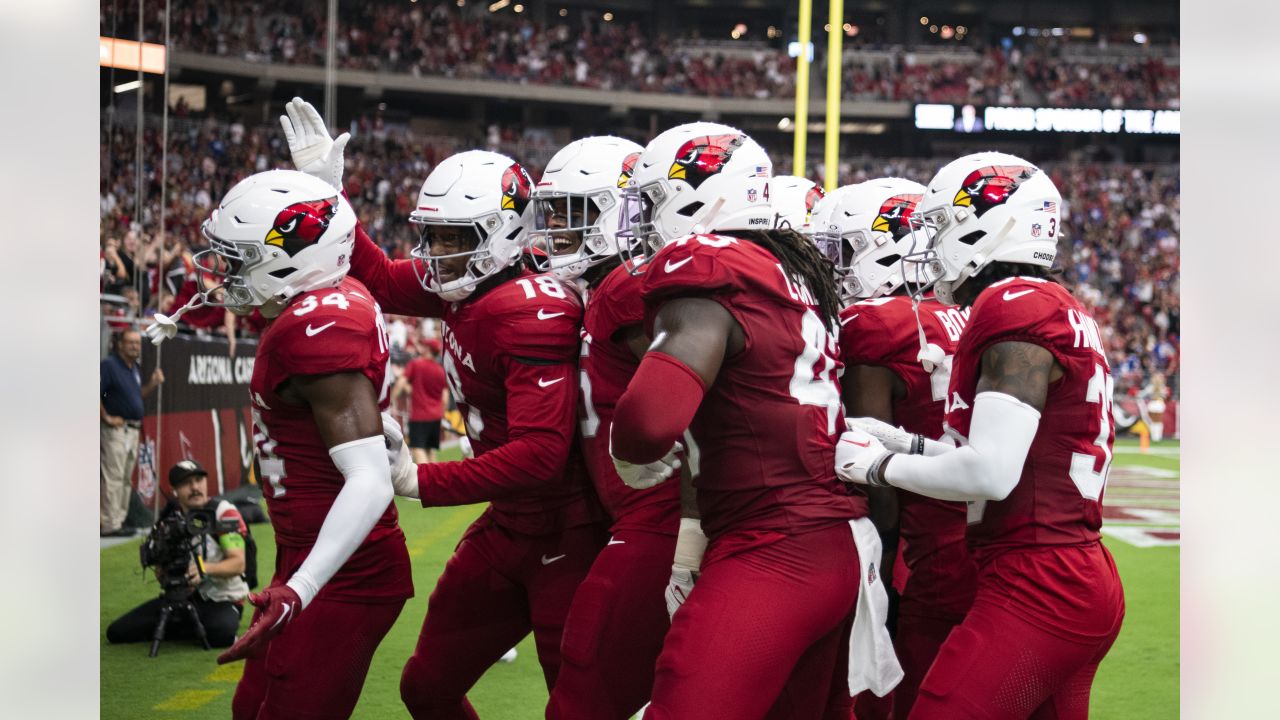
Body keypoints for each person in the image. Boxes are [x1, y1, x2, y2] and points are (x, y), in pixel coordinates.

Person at [277, 98, 606, 717]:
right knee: (425, 686)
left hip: (570, 533)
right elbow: (377, 274)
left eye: (456, 238)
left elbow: (540, 455)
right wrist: (327, 196)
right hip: (509, 527)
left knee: (577, 709)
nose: (436, 253)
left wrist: (419, 479)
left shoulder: (526, 309)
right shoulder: (476, 286)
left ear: (506, 232)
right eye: (432, 235)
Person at [608, 124, 897, 718]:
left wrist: (623, 446)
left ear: (699, 199)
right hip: (833, 542)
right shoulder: (786, 269)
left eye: (651, 202)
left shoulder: (709, 264)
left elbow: (647, 424)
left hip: (775, 550)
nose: (640, 222)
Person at [837, 152, 1126, 720]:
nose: (932, 243)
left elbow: (991, 474)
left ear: (986, 225)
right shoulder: (1053, 305)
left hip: (1040, 581)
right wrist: (906, 444)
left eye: (943, 223)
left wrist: (878, 467)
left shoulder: (1013, 305)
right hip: (1071, 568)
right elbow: (1000, 456)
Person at [148, 168, 413, 720]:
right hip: (305, 553)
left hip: (345, 572)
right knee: (250, 708)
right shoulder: (315, 300)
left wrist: (301, 588)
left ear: (292, 261)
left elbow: (368, 478)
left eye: (241, 256)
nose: (225, 270)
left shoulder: (319, 326)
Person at [527, 134, 684, 719]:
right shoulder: (600, 285)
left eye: (573, 214)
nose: (557, 232)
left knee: (582, 698)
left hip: (660, 520)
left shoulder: (627, 288)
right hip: (636, 516)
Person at [811, 178, 977, 718]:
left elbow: (869, 467)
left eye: (843, 250)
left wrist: (873, 575)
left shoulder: (875, 322)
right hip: (982, 534)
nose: (832, 267)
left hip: (918, 547)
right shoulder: (961, 313)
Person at [106, 460, 249, 648]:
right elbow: (160, 564)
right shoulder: (170, 517)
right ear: (174, 490)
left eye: (199, 480)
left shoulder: (224, 513)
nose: (194, 487)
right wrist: (163, 571)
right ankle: (190, 628)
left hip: (221, 599)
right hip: (180, 599)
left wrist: (203, 569)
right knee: (117, 632)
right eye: (185, 483)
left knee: (220, 634)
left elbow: (238, 563)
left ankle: (182, 629)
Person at [100, 328, 163, 536]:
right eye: (130, 342)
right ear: (120, 344)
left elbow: (136, 396)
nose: (135, 346)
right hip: (115, 430)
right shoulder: (109, 365)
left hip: (132, 429)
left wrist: (152, 384)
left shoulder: (134, 368)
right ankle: (110, 524)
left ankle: (120, 519)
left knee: (126, 477)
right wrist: (106, 417)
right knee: (113, 476)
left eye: (137, 343)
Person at [393, 338, 448, 463]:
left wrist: (391, 398)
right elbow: (445, 397)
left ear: (428, 350)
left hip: (420, 416)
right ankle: (436, 480)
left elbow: (401, 382)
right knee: (430, 450)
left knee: (418, 449)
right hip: (436, 415)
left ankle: (428, 482)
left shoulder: (416, 364)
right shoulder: (440, 370)